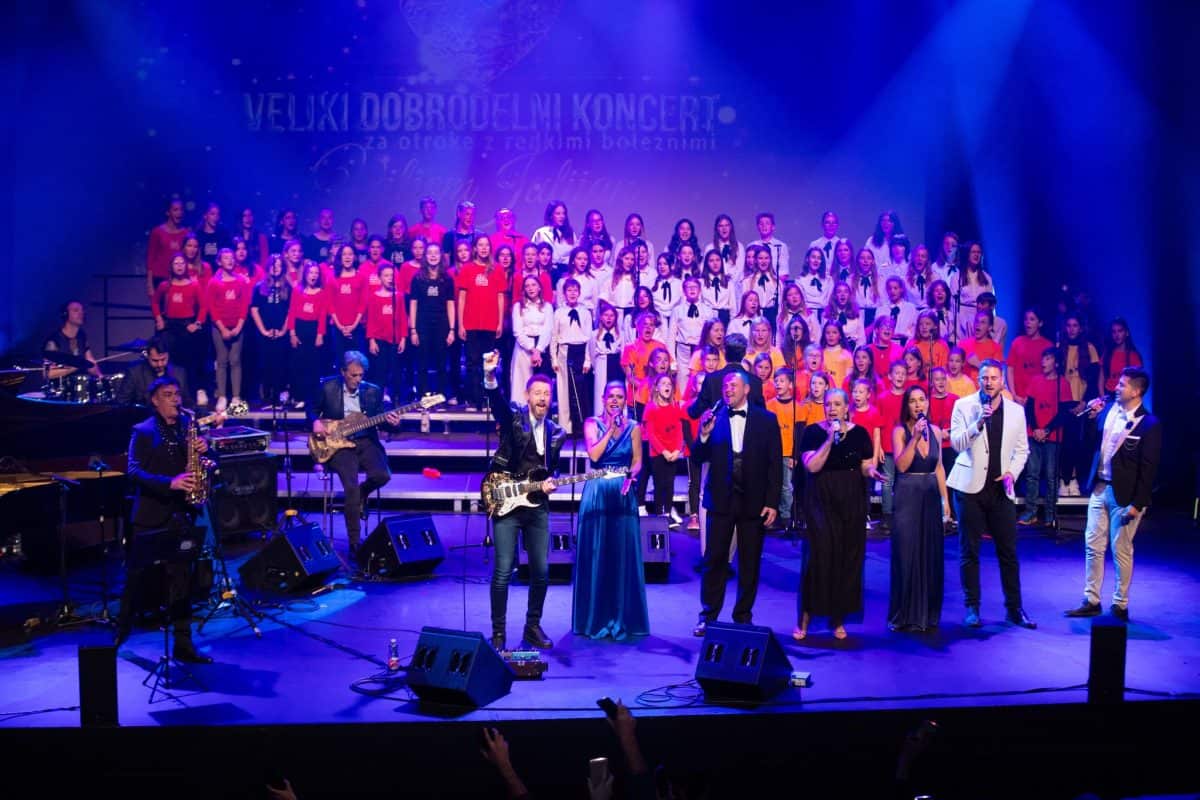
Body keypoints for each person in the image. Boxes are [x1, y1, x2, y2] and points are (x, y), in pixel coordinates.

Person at [115, 376, 211, 663]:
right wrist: (170, 483)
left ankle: (183, 644)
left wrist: (206, 452)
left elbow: (200, 463)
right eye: (168, 395)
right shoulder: (142, 431)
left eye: (177, 394)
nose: (175, 400)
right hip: (150, 516)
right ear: (155, 401)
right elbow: (133, 471)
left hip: (181, 515)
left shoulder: (187, 427)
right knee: (136, 578)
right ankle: (120, 634)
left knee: (182, 581)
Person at [1064, 367, 1161, 621]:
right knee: (1093, 546)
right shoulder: (1108, 412)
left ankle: (1120, 603)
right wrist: (1090, 418)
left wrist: (1138, 503)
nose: (1116, 388)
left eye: (1122, 385)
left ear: (1136, 391)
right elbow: (1090, 445)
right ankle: (1091, 599)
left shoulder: (1148, 424)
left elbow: (1148, 468)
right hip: (1099, 487)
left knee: (1121, 549)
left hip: (1125, 495)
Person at [483, 350, 564, 652]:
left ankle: (532, 626)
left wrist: (551, 482)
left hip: (537, 505)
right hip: (507, 503)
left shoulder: (556, 433)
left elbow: (551, 469)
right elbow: (497, 404)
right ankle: (498, 632)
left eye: (547, 394)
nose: (542, 398)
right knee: (503, 571)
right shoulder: (515, 420)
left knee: (541, 571)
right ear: (528, 396)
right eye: (537, 393)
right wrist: (490, 376)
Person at [691, 371, 782, 635]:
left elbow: (775, 464)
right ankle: (708, 615)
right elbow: (697, 457)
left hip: (754, 501)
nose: (728, 389)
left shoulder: (766, 420)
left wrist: (772, 501)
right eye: (725, 386)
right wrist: (703, 436)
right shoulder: (714, 417)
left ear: (746, 389)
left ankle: (743, 616)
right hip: (721, 499)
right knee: (714, 560)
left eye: (733, 385)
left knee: (750, 562)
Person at [947, 360, 1035, 629]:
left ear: (1002, 381)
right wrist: (977, 423)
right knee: (969, 550)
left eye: (994, 378)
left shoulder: (1016, 412)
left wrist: (1012, 473)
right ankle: (972, 607)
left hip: (1000, 490)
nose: (989, 382)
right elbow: (956, 443)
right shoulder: (964, 406)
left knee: (1008, 551)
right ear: (979, 380)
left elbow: (1022, 450)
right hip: (969, 488)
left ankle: (1014, 608)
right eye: (985, 378)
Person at [794, 388, 879, 640]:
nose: (832, 409)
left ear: (846, 408)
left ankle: (838, 618)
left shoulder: (860, 433)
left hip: (851, 500)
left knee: (847, 558)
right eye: (828, 404)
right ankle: (805, 619)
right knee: (819, 557)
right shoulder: (813, 433)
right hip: (821, 500)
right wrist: (830, 439)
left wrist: (871, 471)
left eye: (837, 404)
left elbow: (864, 465)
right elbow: (812, 466)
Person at [573, 381, 649, 640]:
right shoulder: (592, 424)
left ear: (625, 401)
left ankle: (622, 616)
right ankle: (594, 618)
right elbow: (594, 455)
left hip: (623, 492)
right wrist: (611, 431)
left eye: (620, 397)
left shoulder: (634, 427)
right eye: (611, 396)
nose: (615, 401)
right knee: (597, 553)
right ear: (604, 399)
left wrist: (631, 475)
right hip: (597, 492)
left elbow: (637, 460)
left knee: (621, 554)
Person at [311, 351, 402, 555]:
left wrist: (393, 424)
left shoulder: (373, 391)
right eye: (353, 375)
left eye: (361, 375)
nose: (358, 379)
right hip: (340, 444)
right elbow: (312, 409)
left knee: (382, 475)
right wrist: (315, 421)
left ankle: (361, 495)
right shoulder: (327, 386)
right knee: (350, 488)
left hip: (366, 441)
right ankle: (354, 542)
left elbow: (381, 420)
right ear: (343, 372)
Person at [888, 386, 951, 632]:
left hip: (931, 494)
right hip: (908, 495)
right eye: (913, 401)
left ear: (927, 403)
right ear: (907, 405)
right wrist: (914, 438)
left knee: (929, 553)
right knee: (907, 553)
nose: (918, 405)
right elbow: (901, 466)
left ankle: (928, 615)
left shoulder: (935, 431)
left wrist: (946, 501)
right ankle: (904, 615)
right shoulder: (900, 431)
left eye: (921, 400)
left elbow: (939, 467)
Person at [1018, 347, 1074, 528]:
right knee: (1032, 474)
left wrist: (1047, 430)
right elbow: (1029, 407)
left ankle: (1050, 514)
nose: (1044, 362)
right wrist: (1036, 429)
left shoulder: (1062, 384)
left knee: (1051, 476)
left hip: (1053, 436)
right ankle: (1031, 512)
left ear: (1056, 363)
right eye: (1043, 358)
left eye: (1048, 358)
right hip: (1034, 434)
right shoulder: (1035, 380)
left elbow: (1064, 413)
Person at [116, 335, 189, 406]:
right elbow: (121, 403)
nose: (160, 364)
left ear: (168, 355)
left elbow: (187, 402)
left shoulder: (179, 373)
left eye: (163, 359)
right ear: (147, 356)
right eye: (155, 360)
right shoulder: (134, 373)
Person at [44, 299, 101, 380]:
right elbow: (48, 374)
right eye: (76, 310)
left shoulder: (81, 336)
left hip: (80, 383)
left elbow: (90, 360)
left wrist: (101, 377)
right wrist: (76, 366)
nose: (81, 313)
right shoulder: (54, 340)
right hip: (60, 385)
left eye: (82, 310)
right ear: (65, 314)